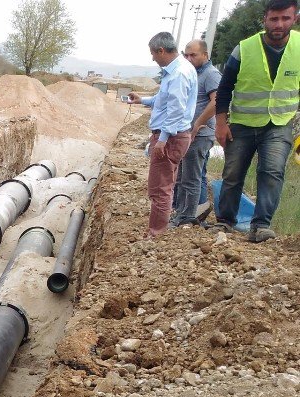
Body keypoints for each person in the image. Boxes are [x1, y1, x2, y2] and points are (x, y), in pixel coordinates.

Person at [212, 0, 299, 243]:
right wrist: (221, 123)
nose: (279, 24)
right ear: (265, 20)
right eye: (274, 19)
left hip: (279, 123)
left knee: (272, 171)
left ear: (295, 19)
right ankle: (225, 222)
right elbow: (225, 88)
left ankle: (261, 225)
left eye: (285, 18)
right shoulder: (244, 48)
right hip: (242, 122)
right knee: (233, 173)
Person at [128, 32, 198, 237]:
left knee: (160, 188)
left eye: (153, 53)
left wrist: (163, 139)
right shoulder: (179, 70)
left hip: (170, 137)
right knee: (163, 185)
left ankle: (155, 234)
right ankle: (156, 230)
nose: (152, 58)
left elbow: (176, 109)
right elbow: (164, 99)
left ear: (161, 50)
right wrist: (143, 100)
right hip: (173, 136)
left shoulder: (179, 74)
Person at [171, 39, 222, 226]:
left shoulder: (211, 74)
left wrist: (197, 124)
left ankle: (186, 217)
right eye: (186, 55)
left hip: (200, 134)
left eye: (193, 55)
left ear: (205, 55)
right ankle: (180, 214)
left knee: (190, 178)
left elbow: (216, 102)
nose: (189, 58)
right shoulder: (193, 74)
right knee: (183, 177)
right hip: (189, 133)